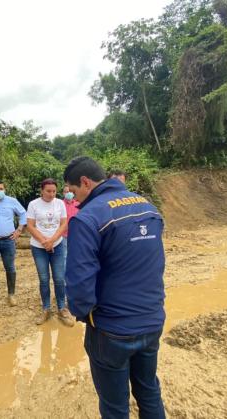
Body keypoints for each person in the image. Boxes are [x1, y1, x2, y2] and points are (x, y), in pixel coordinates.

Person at [64, 156, 166, 418]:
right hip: (152, 320)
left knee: (114, 405)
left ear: (85, 182)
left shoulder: (87, 218)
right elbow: (155, 264)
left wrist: (83, 313)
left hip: (112, 330)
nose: (73, 199)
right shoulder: (149, 207)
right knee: (149, 391)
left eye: (73, 191)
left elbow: (79, 283)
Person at [26, 178, 74, 327]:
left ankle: (61, 308)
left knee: (59, 278)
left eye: (54, 191)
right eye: (48, 191)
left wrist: (52, 240)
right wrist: (44, 241)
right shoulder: (33, 204)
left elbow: (64, 223)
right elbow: (30, 226)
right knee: (44, 279)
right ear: (41, 190)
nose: (52, 194)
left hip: (58, 246)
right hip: (39, 247)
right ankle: (46, 309)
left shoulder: (60, 203)